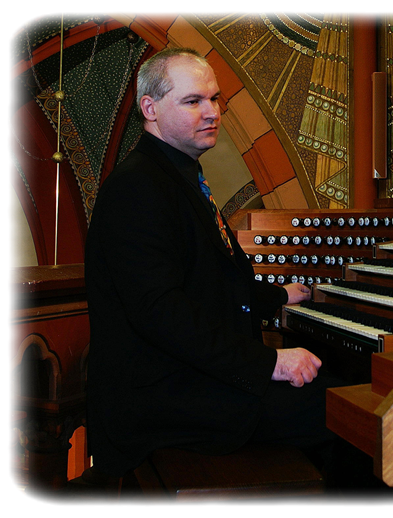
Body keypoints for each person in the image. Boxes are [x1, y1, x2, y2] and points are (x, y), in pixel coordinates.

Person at [85, 47, 338, 476]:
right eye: (193, 101)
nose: (212, 112)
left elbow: (214, 279)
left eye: (215, 98)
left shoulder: (175, 175)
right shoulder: (137, 187)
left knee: (340, 396)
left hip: (187, 383)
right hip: (163, 403)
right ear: (150, 108)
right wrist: (270, 363)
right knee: (348, 408)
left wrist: (279, 295)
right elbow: (161, 313)